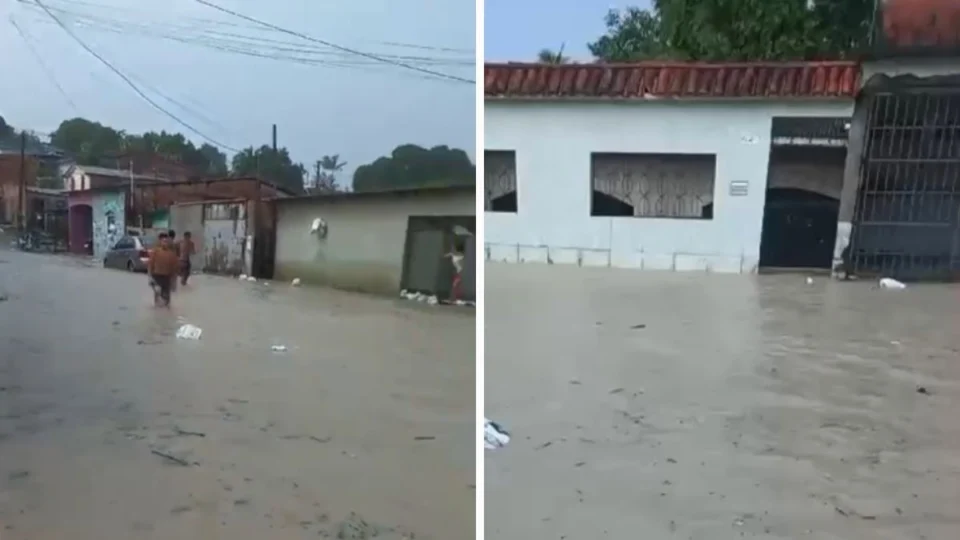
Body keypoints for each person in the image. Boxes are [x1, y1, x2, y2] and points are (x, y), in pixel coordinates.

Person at [147, 233, 179, 307]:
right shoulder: (155, 251)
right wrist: (150, 276)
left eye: (166, 241)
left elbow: (175, 268)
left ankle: (166, 309)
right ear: (160, 242)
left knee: (166, 296)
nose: (165, 243)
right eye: (163, 241)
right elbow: (150, 264)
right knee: (157, 293)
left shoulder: (172, 253)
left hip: (167, 277)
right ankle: (158, 308)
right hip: (157, 275)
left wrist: (174, 281)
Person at [445, 238, 466, 303]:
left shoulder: (461, 256)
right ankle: (454, 299)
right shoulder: (453, 255)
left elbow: (462, 264)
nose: (452, 249)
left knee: (455, 285)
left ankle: (453, 299)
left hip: (460, 273)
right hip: (457, 272)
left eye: (453, 248)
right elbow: (446, 255)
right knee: (455, 285)